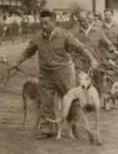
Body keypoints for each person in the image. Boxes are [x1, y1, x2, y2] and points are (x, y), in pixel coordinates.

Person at [9, 10, 98, 139]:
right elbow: (27, 52)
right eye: (41, 23)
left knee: (71, 99)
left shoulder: (65, 35)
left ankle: (73, 126)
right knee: (46, 101)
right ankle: (46, 129)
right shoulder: (38, 37)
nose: (43, 26)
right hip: (45, 74)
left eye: (46, 23)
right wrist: (16, 63)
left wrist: (92, 59)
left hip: (63, 73)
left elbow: (81, 47)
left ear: (54, 22)